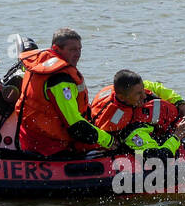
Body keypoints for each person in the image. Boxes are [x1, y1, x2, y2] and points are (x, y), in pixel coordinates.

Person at [15, 28, 117, 156]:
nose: (78, 54)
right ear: (56, 49)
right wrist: (110, 141)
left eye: (80, 49)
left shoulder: (39, 65)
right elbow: (76, 126)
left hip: (30, 135)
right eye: (72, 50)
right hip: (49, 145)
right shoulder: (61, 81)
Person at [89, 69, 185, 158]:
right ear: (122, 97)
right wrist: (178, 134)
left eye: (143, 90)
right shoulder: (130, 129)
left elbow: (156, 87)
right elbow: (159, 158)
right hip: (163, 134)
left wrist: (184, 108)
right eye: (138, 94)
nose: (144, 96)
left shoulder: (122, 91)